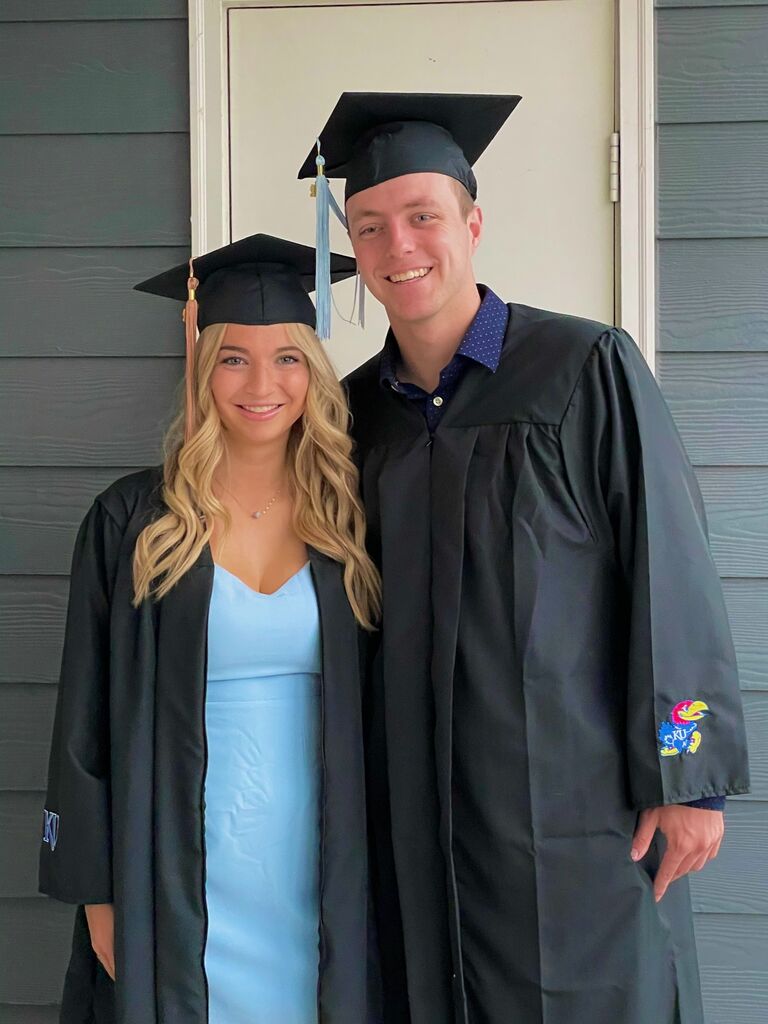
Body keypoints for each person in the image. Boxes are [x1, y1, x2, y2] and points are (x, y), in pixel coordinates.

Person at [298, 94, 751, 1024]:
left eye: (423, 217)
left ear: (472, 222)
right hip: (415, 812)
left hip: (577, 815)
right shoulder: (348, 416)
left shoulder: (584, 368)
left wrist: (688, 770)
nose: (399, 247)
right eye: (372, 227)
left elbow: (673, 581)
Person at [38, 234, 381, 1024]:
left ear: (314, 371)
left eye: (288, 358)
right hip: (172, 862)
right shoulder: (133, 522)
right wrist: (99, 895)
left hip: (323, 861)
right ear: (201, 365)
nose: (262, 384)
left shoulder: (356, 516)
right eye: (233, 358)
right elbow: (81, 724)